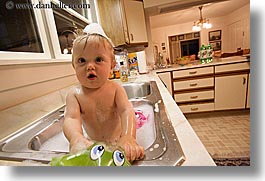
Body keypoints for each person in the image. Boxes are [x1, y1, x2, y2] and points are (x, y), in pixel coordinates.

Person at [63, 23, 145, 162]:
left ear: (112, 65)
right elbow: (71, 119)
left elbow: (126, 111)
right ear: (74, 66)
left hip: (118, 141)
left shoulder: (115, 89)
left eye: (98, 60)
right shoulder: (75, 95)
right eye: (82, 60)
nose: (90, 66)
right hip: (92, 143)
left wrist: (128, 137)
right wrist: (76, 138)